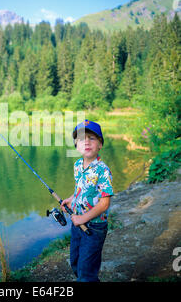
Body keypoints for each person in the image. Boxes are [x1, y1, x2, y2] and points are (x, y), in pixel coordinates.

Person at [61, 119, 114, 282]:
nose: (87, 142)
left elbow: (104, 203)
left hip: (94, 227)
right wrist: (71, 199)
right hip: (77, 224)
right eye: (82, 139)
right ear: (77, 146)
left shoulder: (103, 170)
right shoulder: (77, 165)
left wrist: (82, 218)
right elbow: (80, 188)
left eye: (92, 138)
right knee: (76, 263)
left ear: (100, 144)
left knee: (87, 271)